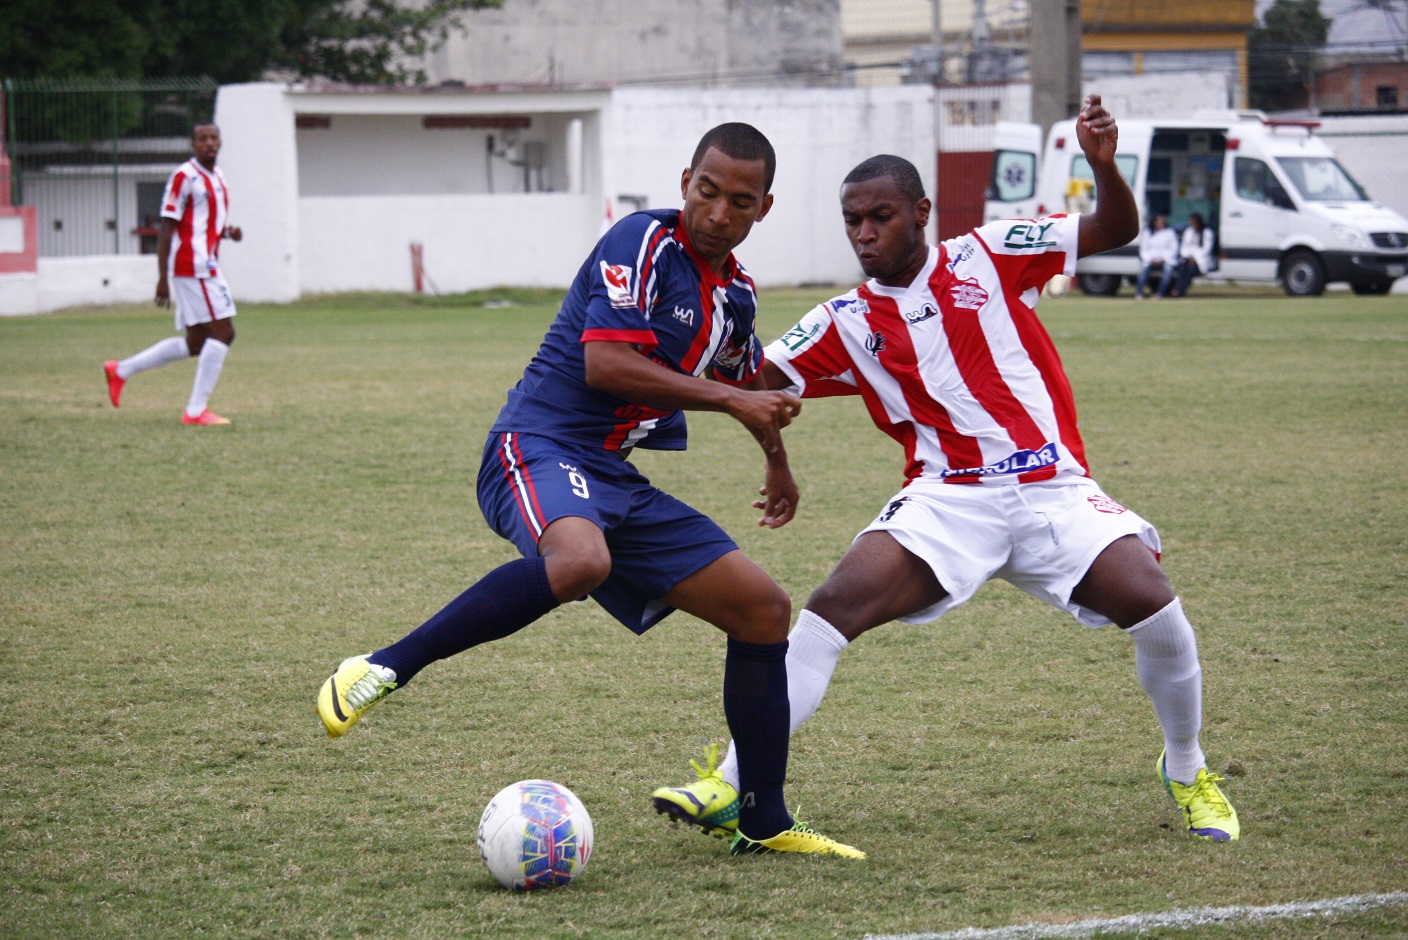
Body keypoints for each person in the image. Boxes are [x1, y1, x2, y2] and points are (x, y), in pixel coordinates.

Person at [651, 97, 1240, 845]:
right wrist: (692, 333)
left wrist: (1103, 166)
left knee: (1156, 608)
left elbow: (1113, 229)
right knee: (831, 607)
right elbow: (751, 381)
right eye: (853, 222)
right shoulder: (844, 321)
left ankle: (1187, 769)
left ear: (921, 212)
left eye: (881, 217)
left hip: (1051, 488)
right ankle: (731, 783)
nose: (866, 234)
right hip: (947, 499)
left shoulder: (991, 252)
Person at [315, 123, 863, 860]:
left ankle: (763, 820)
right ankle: (381, 665)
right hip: (536, 443)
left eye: (739, 202)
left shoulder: (736, 296)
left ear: (763, 209)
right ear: (685, 183)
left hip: (611, 474)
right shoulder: (642, 242)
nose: (717, 213)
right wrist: (734, 401)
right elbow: (608, 365)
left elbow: (748, 390)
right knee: (579, 562)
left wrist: (777, 462)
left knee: (762, 608)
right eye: (706, 192)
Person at [103, 122, 242, 425]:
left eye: (214, 138)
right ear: (193, 145)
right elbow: (167, 229)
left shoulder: (218, 176)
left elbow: (204, 224)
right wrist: (162, 277)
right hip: (193, 266)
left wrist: (226, 233)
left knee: (197, 343)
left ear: (220, 142)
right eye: (202, 139)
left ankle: (121, 370)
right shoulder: (184, 176)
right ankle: (195, 411)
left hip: (206, 264)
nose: (209, 143)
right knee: (224, 333)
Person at [1134, 213, 1178, 300]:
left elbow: (1174, 248)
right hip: (1150, 260)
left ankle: (1160, 293)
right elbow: (1143, 249)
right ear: (1154, 222)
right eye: (1159, 222)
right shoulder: (1148, 233)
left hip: (1165, 260)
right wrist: (1150, 259)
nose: (1161, 223)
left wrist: (1164, 259)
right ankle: (1139, 293)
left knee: (1167, 271)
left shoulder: (1170, 233)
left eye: (1162, 222)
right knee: (1143, 271)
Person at [1170, 213, 1215, 297]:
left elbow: (1207, 249)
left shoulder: (1207, 232)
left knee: (1191, 270)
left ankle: (1179, 290)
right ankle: (1177, 289)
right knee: (1182, 269)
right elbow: (1184, 247)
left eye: (1194, 222)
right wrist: (1188, 257)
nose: (1192, 224)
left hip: (1201, 260)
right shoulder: (1189, 231)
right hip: (1188, 258)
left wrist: (1195, 258)